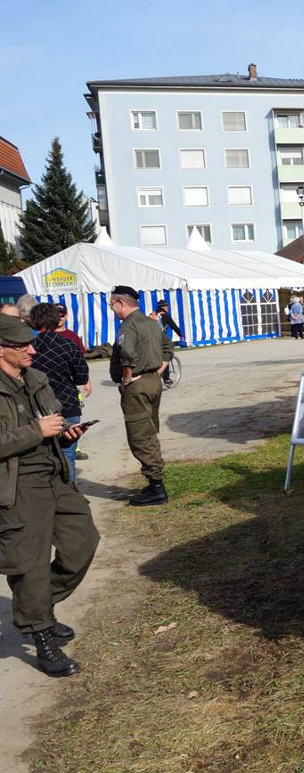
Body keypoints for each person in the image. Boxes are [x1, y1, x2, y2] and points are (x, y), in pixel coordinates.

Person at [0, 313, 98, 677]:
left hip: (54, 474)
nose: (31, 349)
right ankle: (41, 636)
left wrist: (64, 433)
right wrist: (35, 431)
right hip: (17, 484)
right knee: (30, 564)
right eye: (22, 345)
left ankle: (39, 606)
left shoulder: (36, 378)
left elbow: (50, 421)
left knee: (82, 542)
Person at [109, 286, 168, 506]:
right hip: (152, 381)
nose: (112, 310)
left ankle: (157, 488)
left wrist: (126, 378)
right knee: (149, 431)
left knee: (140, 435)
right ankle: (155, 482)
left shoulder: (129, 325)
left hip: (137, 385)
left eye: (112, 305)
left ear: (120, 303)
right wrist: (158, 370)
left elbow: (127, 353)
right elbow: (167, 347)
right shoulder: (151, 323)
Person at [29, 304, 91, 482]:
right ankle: (69, 493)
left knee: (40, 454)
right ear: (56, 319)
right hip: (67, 403)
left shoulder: (27, 347)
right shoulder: (68, 344)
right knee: (67, 452)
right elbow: (81, 377)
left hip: (37, 407)